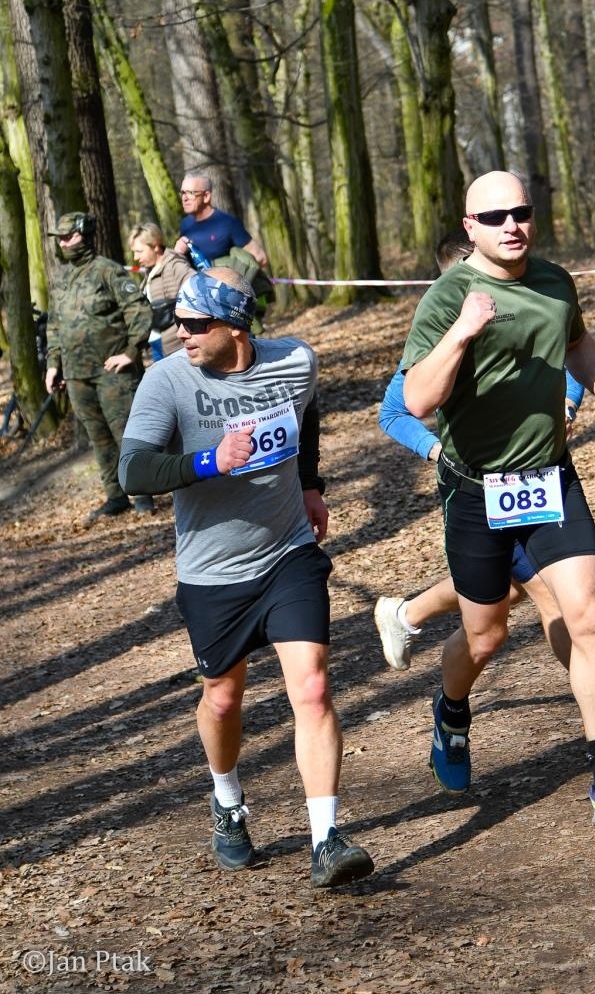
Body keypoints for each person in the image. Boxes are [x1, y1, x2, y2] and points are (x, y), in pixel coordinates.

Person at [400, 171, 595, 826]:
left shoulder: (554, 281)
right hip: (474, 488)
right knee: (485, 636)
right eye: (494, 217)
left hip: (548, 477)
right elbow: (416, 400)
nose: (511, 225)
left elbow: (576, 342)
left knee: (588, 616)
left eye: (520, 212)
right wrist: (462, 332)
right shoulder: (447, 297)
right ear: (471, 228)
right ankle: (451, 712)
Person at [118, 268, 374, 888]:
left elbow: (306, 413)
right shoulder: (167, 380)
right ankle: (228, 798)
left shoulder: (294, 361)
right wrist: (211, 460)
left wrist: (309, 484)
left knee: (312, 688)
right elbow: (133, 470)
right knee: (223, 698)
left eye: (195, 323)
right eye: (178, 322)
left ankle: (326, 839)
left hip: (288, 553)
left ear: (235, 324)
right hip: (212, 571)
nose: (181, 333)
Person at [44, 211, 155, 520]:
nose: (63, 243)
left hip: (112, 374)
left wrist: (130, 352)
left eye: (69, 236)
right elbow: (54, 326)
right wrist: (53, 365)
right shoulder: (62, 280)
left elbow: (139, 311)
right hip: (77, 375)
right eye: (60, 238)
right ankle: (115, 496)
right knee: (99, 438)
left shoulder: (108, 271)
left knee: (126, 433)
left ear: (85, 234)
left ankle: (143, 496)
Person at [174, 170, 268, 268]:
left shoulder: (228, 224)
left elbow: (260, 258)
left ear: (206, 196)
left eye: (190, 193)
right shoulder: (185, 225)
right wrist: (178, 253)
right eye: (183, 193)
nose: (184, 198)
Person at [129, 222, 193, 359]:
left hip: (177, 346)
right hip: (157, 344)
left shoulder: (175, 265)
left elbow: (197, 294)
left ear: (155, 246)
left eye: (139, 251)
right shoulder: (150, 271)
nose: (135, 258)